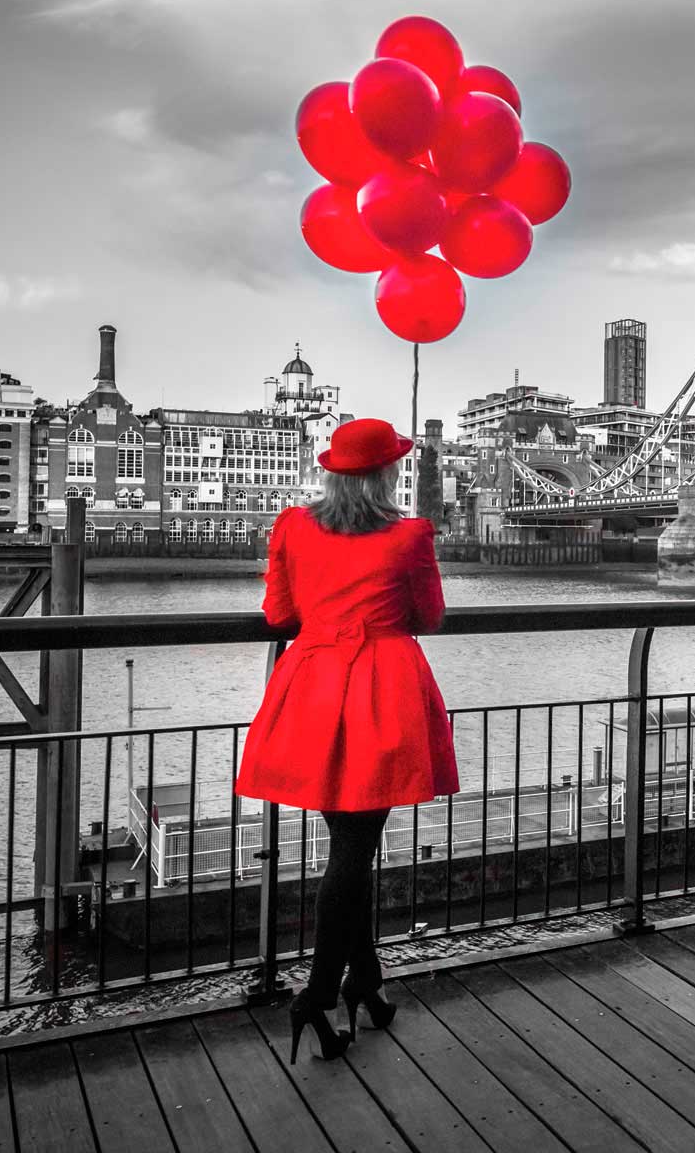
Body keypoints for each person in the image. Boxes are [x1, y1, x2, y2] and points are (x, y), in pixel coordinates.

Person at [236, 418, 459, 1063]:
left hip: (310, 687)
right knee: (355, 851)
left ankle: (367, 984)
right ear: (389, 473)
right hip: (382, 692)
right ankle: (317, 994)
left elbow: (278, 616)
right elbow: (429, 617)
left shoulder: (294, 527)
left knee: (349, 847)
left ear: (332, 471)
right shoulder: (409, 535)